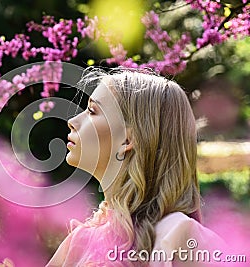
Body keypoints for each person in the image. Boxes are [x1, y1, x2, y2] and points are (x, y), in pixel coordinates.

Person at [46, 67, 227, 267]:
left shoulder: (180, 234)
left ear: (127, 139)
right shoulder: (79, 242)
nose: (72, 122)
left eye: (92, 111)